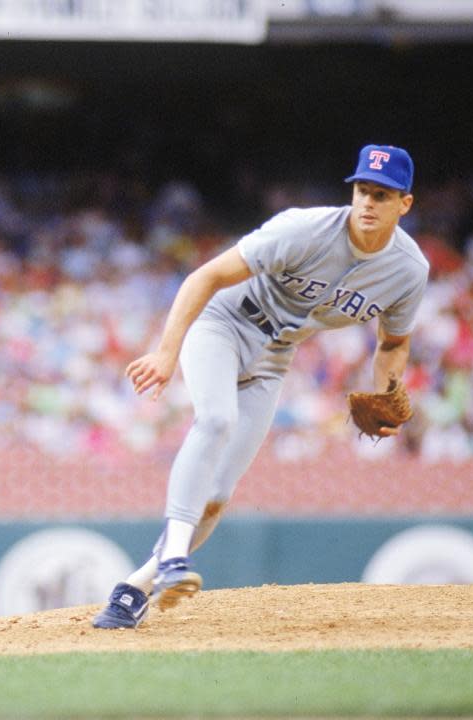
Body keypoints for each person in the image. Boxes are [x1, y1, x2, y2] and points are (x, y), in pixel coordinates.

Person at [92, 144, 429, 629]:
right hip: (223, 322)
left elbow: (393, 341)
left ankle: (134, 588)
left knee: (219, 492)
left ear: (405, 203)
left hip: (275, 356)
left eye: (382, 194)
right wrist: (167, 351)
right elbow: (205, 276)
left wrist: (385, 390)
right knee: (215, 419)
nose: (368, 202)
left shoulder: (407, 270)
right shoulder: (305, 229)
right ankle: (172, 564)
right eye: (362, 190)